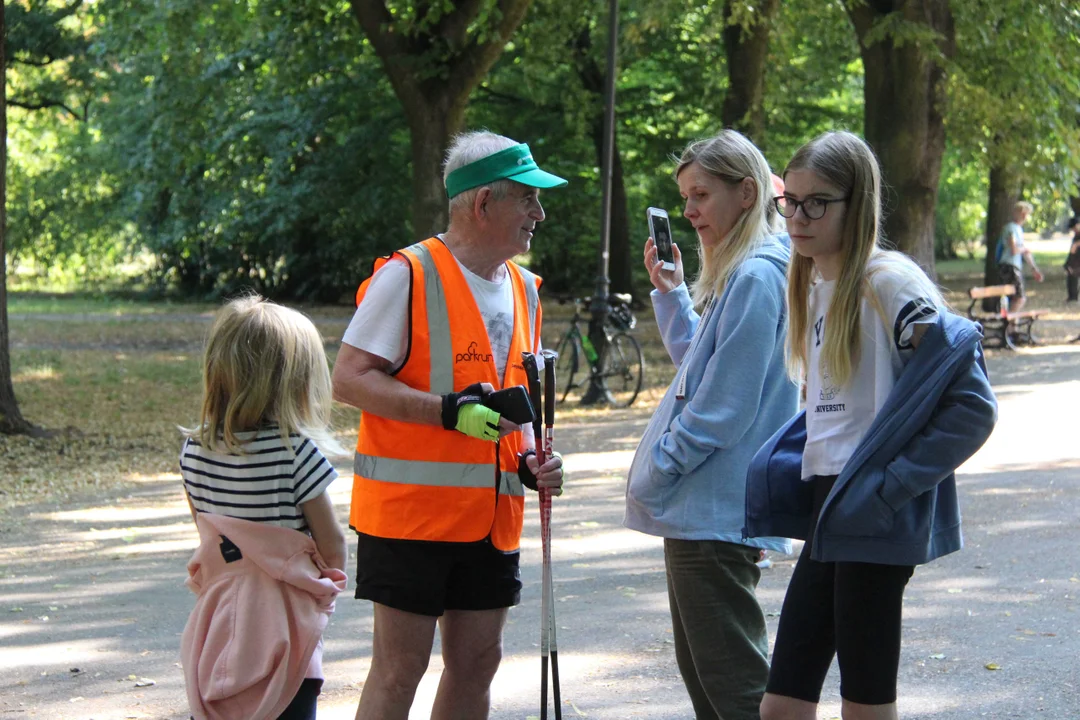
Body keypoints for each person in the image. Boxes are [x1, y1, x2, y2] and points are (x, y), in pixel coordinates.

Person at [747, 131, 998, 720]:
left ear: (856, 203)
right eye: (792, 201)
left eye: (818, 202)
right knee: (782, 704)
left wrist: (890, 488)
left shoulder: (889, 282)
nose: (799, 217)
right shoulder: (814, 282)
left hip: (872, 511)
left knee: (864, 701)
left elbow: (972, 405)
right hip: (829, 508)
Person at [331, 130, 566, 720]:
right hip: (411, 516)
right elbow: (349, 379)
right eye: (528, 199)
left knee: (478, 663)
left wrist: (536, 456)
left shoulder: (524, 289)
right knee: (399, 670)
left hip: (493, 516)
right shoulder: (407, 274)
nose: (540, 213)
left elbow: (516, 395)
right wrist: (446, 410)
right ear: (484, 203)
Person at [623, 129, 799, 720]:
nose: (690, 212)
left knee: (733, 691)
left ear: (746, 193)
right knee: (714, 685)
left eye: (701, 195)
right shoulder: (753, 272)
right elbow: (709, 369)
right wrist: (672, 296)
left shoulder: (756, 276)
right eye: (685, 199)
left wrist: (657, 472)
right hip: (709, 513)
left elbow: (724, 407)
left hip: (714, 516)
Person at [179, 295, 349, 720]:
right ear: (294, 381)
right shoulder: (296, 453)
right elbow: (332, 543)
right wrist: (325, 590)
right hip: (284, 617)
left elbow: (209, 531)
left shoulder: (194, 451)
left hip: (220, 617)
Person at [996, 200, 1044, 312]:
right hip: (1009, 267)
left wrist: (1034, 269)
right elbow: (1014, 249)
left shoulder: (1018, 229)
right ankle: (1009, 325)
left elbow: (1024, 252)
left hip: (1013, 267)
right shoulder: (1011, 228)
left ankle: (1011, 325)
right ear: (1023, 213)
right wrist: (1024, 248)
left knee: (1015, 298)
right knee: (1020, 298)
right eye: (1027, 214)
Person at [1064, 215, 1080, 302]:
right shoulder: (1076, 236)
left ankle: (1073, 296)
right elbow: (1073, 251)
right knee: (1071, 273)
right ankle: (1072, 296)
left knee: (1073, 272)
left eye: (1074, 228)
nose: (1073, 230)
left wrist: (1077, 244)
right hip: (1076, 259)